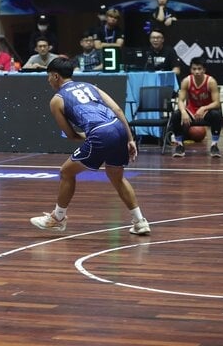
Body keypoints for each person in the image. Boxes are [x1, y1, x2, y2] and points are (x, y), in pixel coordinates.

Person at [29, 57, 150, 234]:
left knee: (66, 172)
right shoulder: (90, 86)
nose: (48, 81)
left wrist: (89, 135)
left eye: (48, 77)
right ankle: (140, 221)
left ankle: (58, 218)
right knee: (116, 176)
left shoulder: (57, 100)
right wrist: (130, 138)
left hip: (100, 133)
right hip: (118, 127)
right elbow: (117, 110)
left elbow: (71, 135)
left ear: (55, 76)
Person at [171, 56, 223, 158]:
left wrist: (204, 108)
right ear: (191, 70)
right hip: (191, 110)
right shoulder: (186, 81)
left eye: (199, 69)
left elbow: (217, 103)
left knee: (216, 114)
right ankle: (180, 145)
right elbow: (180, 100)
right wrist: (183, 112)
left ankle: (214, 145)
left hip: (206, 111)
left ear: (204, 70)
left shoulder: (211, 82)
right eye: (194, 69)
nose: (197, 71)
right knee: (176, 115)